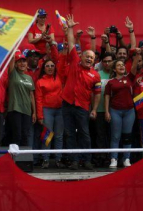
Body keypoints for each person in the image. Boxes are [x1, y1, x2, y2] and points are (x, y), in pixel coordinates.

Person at [61, 14, 101, 170]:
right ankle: (74, 161)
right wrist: (70, 28)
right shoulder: (75, 63)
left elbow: (97, 94)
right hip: (67, 104)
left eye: (92, 57)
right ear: (81, 57)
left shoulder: (95, 75)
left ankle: (87, 160)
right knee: (70, 134)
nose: (89, 59)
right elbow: (71, 43)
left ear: (94, 60)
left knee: (84, 134)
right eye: (87, 56)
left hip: (83, 106)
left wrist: (95, 109)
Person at [105, 50, 141, 168]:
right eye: (119, 65)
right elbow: (107, 97)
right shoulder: (110, 83)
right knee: (115, 136)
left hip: (129, 111)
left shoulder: (129, 78)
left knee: (127, 135)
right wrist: (107, 111)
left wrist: (137, 54)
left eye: (123, 65)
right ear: (114, 69)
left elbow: (135, 65)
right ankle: (114, 158)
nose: (121, 66)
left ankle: (126, 158)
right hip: (115, 111)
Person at [35, 59, 65, 169]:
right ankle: (46, 160)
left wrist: (56, 46)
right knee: (47, 136)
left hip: (60, 110)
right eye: (47, 66)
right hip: (47, 110)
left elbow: (60, 60)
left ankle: (58, 159)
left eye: (52, 65)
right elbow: (38, 99)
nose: (50, 67)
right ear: (44, 68)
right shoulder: (40, 81)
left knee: (59, 136)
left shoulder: (59, 76)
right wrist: (40, 116)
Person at [7, 51, 36, 146]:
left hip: (27, 110)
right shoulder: (13, 74)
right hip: (15, 109)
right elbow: (11, 59)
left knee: (25, 135)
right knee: (16, 135)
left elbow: (31, 95)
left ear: (27, 63)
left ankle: (23, 160)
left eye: (24, 61)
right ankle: (14, 159)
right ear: (15, 64)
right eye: (19, 61)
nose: (22, 63)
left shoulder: (29, 78)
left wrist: (34, 112)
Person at [92, 52, 113, 167]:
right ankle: (100, 157)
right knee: (100, 135)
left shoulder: (117, 74)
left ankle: (110, 157)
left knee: (111, 135)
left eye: (109, 61)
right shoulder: (97, 74)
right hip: (99, 109)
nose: (107, 63)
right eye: (104, 61)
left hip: (114, 110)